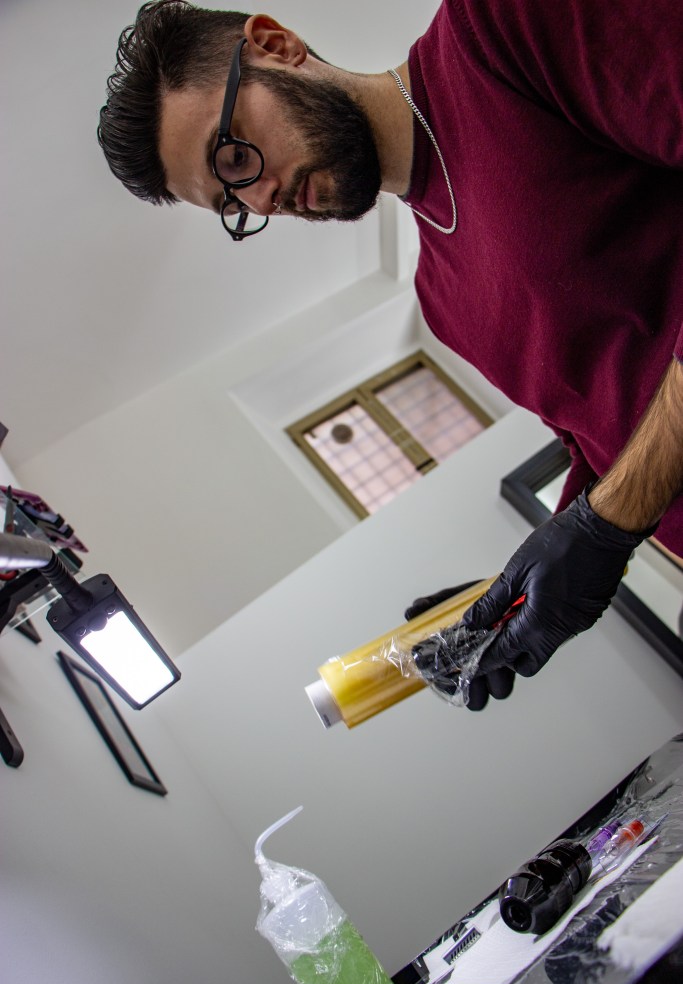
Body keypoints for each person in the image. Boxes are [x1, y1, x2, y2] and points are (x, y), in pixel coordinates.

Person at [98, 0, 683, 708]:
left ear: (275, 45)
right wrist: (523, 586)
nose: (262, 198)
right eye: (233, 204)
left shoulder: (499, 29)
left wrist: (605, 526)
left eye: (234, 157)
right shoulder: (442, 300)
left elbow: (622, 496)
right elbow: (606, 439)